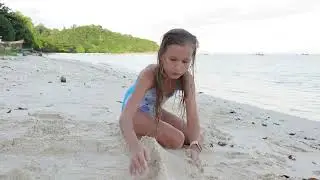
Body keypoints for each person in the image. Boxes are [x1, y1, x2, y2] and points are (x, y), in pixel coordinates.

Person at [119, 28, 203, 176]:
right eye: (173, 60)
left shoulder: (186, 79)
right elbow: (125, 117)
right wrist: (134, 146)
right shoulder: (149, 74)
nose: (178, 67)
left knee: (194, 136)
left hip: (154, 110)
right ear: (162, 56)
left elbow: (192, 117)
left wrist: (195, 146)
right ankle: (142, 129)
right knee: (177, 140)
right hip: (135, 112)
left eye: (185, 61)